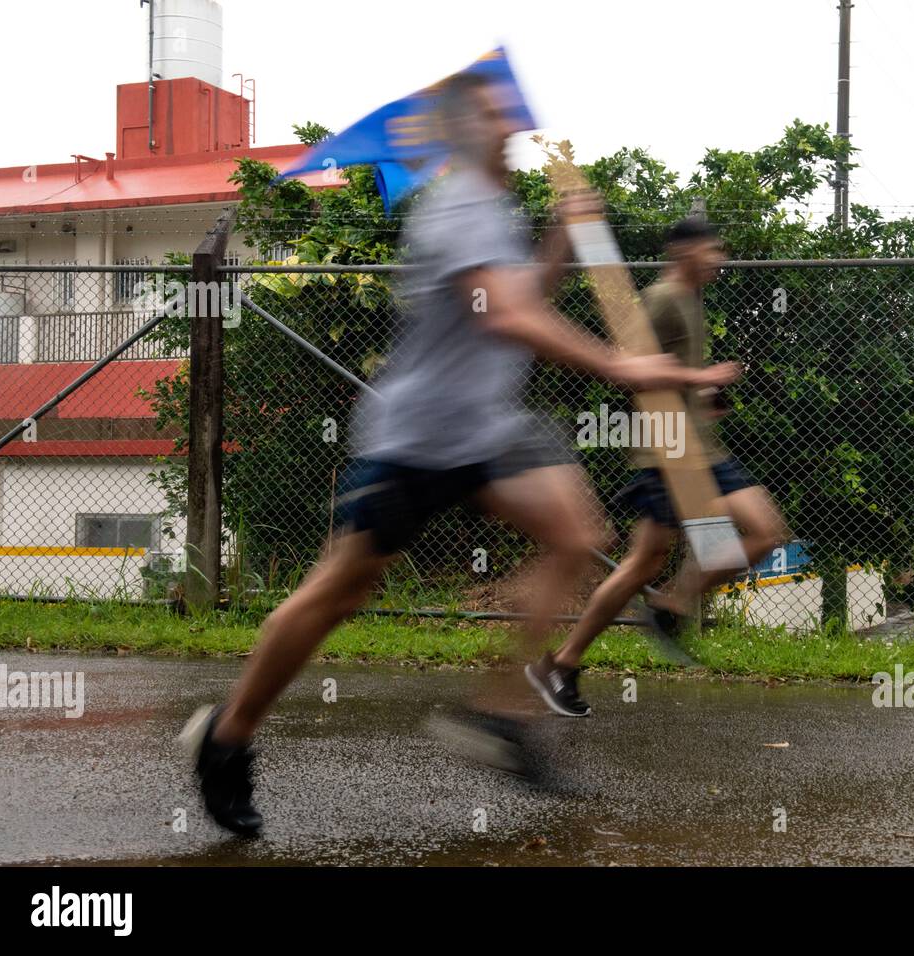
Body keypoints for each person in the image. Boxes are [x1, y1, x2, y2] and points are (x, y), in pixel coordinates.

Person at [180, 72, 735, 836]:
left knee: (576, 533)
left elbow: (519, 297)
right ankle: (229, 734)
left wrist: (557, 239)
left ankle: (500, 715)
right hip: (419, 434)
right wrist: (622, 366)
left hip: (486, 429)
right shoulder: (459, 209)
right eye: (490, 114)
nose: (509, 121)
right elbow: (508, 316)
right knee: (341, 591)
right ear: (462, 134)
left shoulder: (493, 209)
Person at [525, 218, 788, 717]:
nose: (720, 260)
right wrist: (699, 375)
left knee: (763, 531)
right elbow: (630, 367)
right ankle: (567, 660)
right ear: (685, 251)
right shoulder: (663, 297)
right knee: (645, 563)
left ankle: (667, 606)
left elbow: (670, 373)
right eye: (712, 250)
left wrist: (705, 393)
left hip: (702, 449)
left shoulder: (690, 299)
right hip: (668, 453)